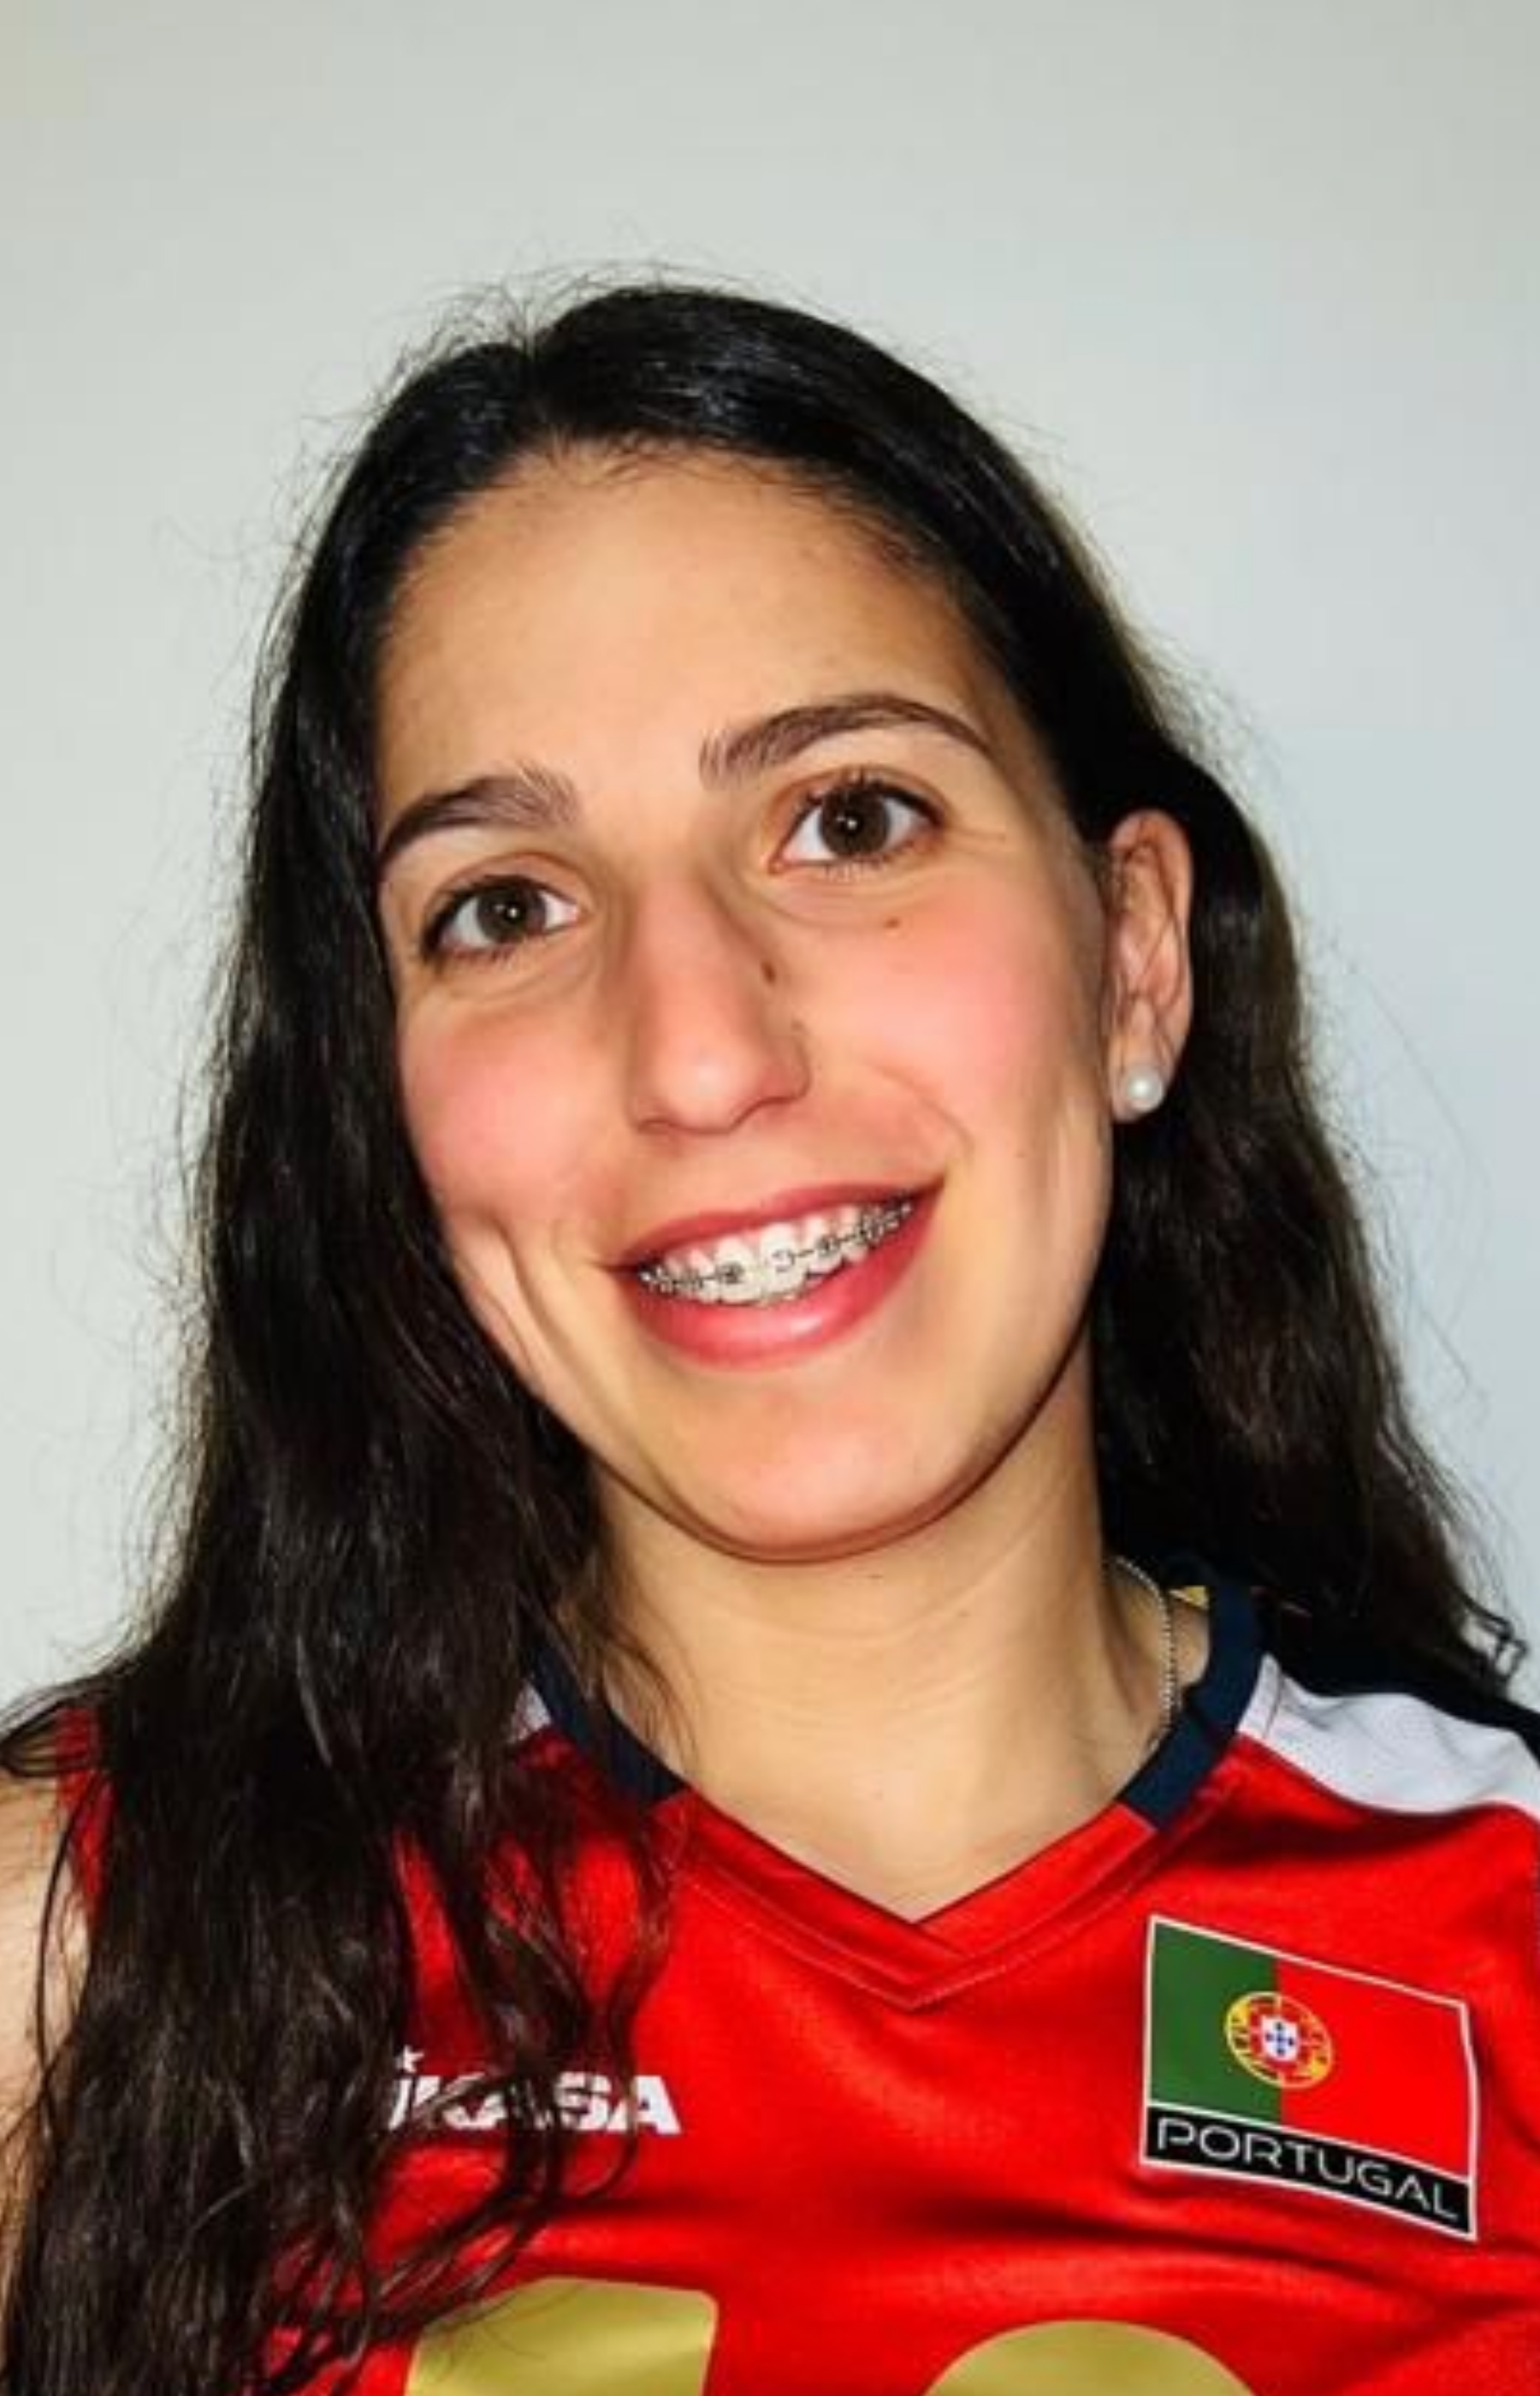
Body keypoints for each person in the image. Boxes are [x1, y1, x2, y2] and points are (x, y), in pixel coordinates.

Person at [0, 282, 1535, 2396]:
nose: (701, 1050)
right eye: (506, 904)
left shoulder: (1502, 1924)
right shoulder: (92, 1945)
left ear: (1135, 958)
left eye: (850, 816)